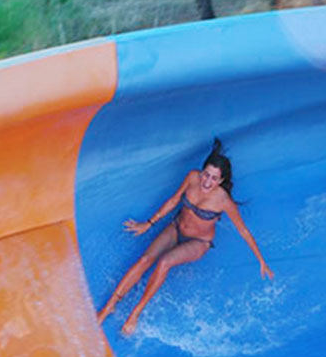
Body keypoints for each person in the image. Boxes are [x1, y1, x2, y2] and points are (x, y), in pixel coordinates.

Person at [97, 138, 274, 335]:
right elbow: (174, 200)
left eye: (214, 178)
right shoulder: (192, 178)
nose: (207, 181)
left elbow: (243, 231)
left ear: (221, 181)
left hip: (198, 242)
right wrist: (149, 223)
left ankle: (135, 314)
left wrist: (261, 260)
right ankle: (108, 308)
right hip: (176, 228)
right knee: (145, 259)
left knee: (164, 262)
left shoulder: (223, 201)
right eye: (206, 174)